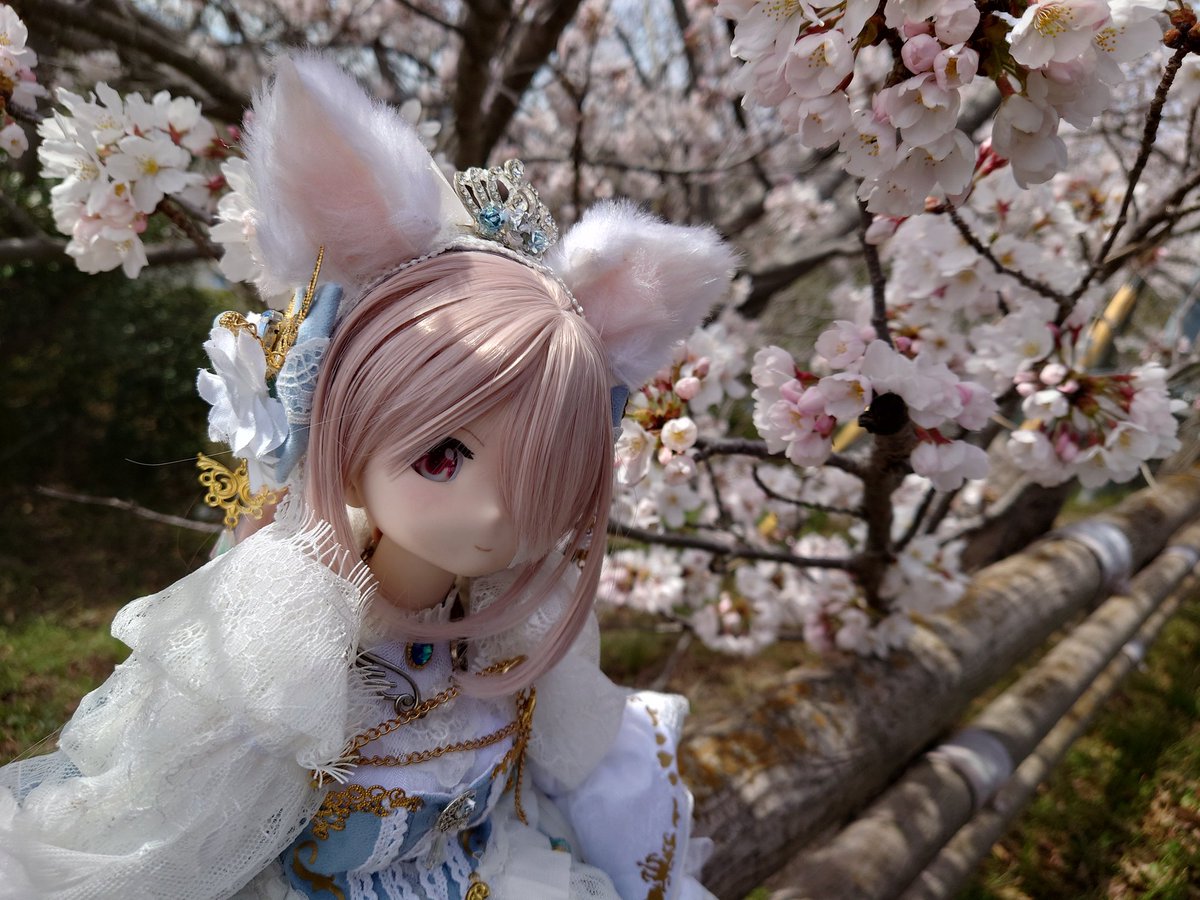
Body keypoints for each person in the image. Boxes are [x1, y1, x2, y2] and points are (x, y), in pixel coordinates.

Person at [0, 54, 736, 900]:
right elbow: (165, 834)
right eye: (440, 458)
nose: (497, 513)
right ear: (339, 424)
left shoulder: (515, 630)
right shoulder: (290, 631)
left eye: (551, 473)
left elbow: (585, 777)